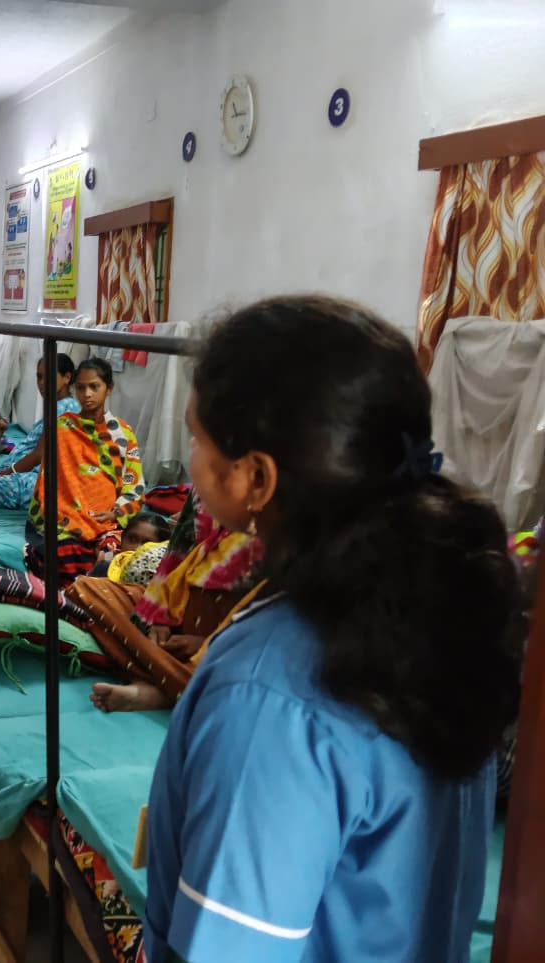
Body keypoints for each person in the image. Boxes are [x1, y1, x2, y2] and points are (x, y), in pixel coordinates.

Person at [142, 296, 521, 963]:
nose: (191, 460)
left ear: (256, 476)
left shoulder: (267, 697)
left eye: (197, 438)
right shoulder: (442, 610)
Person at [81, 489, 262, 713]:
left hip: (236, 635)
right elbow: (177, 553)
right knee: (86, 589)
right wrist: (159, 616)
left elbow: (278, 611)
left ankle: (167, 688)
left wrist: (207, 643)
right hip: (178, 612)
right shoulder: (205, 487)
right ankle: (167, 679)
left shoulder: (285, 507)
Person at [25, 357, 145, 585]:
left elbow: (134, 485)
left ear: (109, 388)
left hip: (107, 519)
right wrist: (61, 511)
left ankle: (91, 595)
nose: (87, 394)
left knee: (112, 555)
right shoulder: (62, 427)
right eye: (81, 388)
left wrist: (115, 513)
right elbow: (47, 479)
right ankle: (71, 598)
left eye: (94, 387)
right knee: (60, 551)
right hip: (65, 515)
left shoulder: (123, 434)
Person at [0, 355, 80, 510]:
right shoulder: (58, 407)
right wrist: (4, 471)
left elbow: (39, 454)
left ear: (67, 377)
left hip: (30, 481)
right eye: (39, 377)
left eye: (48, 376)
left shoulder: (65, 410)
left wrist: (8, 472)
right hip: (14, 472)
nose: (42, 383)